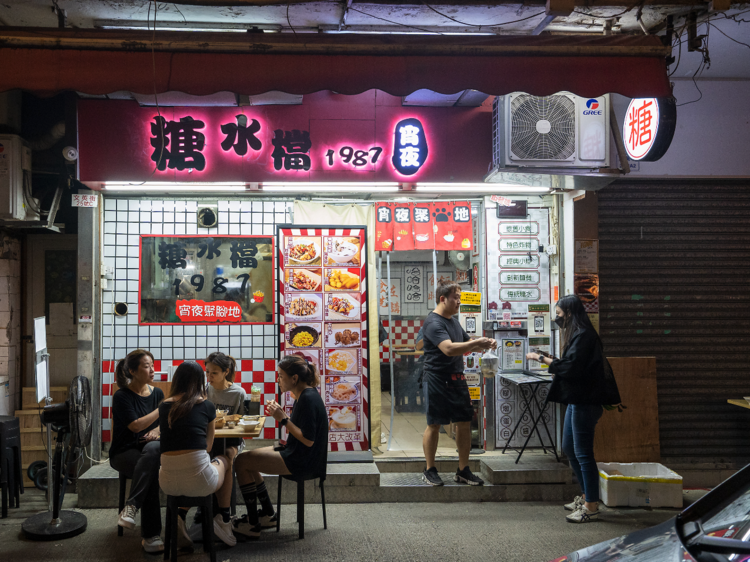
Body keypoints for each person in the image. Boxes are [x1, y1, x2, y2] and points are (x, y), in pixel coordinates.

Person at [526, 294, 620, 524]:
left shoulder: (585, 335)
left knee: (583, 453)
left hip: (586, 401)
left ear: (569, 313)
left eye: (558, 315)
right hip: (578, 400)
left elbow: (570, 367)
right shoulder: (578, 335)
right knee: (569, 447)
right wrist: (553, 359)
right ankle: (587, 496)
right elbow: (573, 364)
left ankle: (591, 505)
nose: (557, 319)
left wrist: (541, 358)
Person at [231, 355, 327, 540]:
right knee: (247, 458)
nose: (278, 380)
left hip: (302, 460)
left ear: (294, 378)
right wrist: (282, 416)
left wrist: (283, 419)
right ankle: (268, 515)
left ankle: (252, 524)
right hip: (299, 453)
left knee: (242, 461)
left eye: (281, 376)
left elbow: (308, 440)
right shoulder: (305, 394)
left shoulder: (307, 398)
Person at [421, 279, 497, 487]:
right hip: (437, 377)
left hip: (456, 377)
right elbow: (449, 349)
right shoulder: (433, 322)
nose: (459, 302)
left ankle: (463, 469)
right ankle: (429, 469)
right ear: (442, 299)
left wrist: (484, 344)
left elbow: (465, 344)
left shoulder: (453, 321)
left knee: (464, 421)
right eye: (456, 298)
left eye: (460, 298)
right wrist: (476, 343)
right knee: (434, 423)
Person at [158, 361, 237, 548]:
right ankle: (223, 520)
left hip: (167, 482)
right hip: (201, 481)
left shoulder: (163, 407)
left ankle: (180, 515)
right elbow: (208, 447)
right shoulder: (207, 406)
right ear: (200, 381)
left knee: (190, 472)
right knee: (225, 459)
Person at [110, 349, 165, 553]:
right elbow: (135, 426)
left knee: (154, 448)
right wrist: (162, 409)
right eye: (147, 365)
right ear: (132, 371)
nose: (152, 369)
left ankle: (131, 507)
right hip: (124, 453)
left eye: (152, 364)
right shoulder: (122, 396)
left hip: (148, 451)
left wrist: (158, 430)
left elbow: (162, 424)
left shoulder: (157, 393)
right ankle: (151, 536)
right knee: (149, 472)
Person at [189, 352, 246, 535]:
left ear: (225, 372)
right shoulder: (205, 392)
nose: (209, 377)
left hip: (232, 440)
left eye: (214, 373)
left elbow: (242, 423)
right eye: (207, 373)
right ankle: (204, 506)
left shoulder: (238, 393)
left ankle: (224, 513)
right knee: (203, 456)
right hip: (210, 439)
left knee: (227, 456)